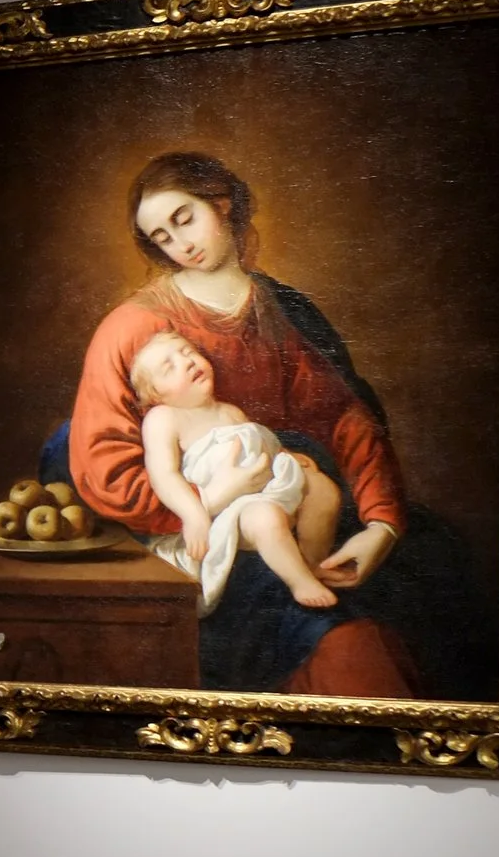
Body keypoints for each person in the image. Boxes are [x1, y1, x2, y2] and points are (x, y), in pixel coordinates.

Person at [69, 151, 436, 697]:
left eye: (184, 218)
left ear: (222, 204)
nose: (179, 243)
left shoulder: (280, 309)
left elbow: (344, 418)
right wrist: (219, 499)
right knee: (344, 648)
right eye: (162, 236)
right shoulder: (134, 327)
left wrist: (381, 526)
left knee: (430, 581)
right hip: (207, 541)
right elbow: (107, 473)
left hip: (307, 513)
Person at [130, 330, 342, 613]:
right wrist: (193, 515)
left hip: (268, 489)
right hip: (227, 514)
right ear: (157, 395)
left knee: (323, 489)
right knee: (265, 517)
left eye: (188, 352)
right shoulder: (164, 418)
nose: (187, 362)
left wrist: (286, 456)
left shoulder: (231, 412)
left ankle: (311, 563)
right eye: (169, 367)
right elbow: (164, 476)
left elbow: (257, 448)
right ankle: (300, 582)